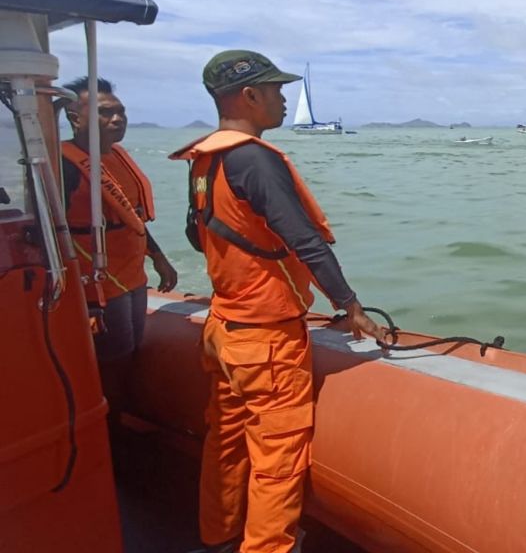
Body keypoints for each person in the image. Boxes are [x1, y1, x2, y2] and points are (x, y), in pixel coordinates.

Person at [171, 51, 383, 553]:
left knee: (225, 443)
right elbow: (305, 240)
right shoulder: (254, 159)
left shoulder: (206, 158)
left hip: (224, 329)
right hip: (267, 338)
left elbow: (195, 234)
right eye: (276, 90)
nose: (284, 99)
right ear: (249, 96)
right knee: (277, 460)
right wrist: (351, 306)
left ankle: (218, 537)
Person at [60, 76, 177, 429]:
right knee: (114, 360)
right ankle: (108, 436)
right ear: (74, 117)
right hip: (98, 284)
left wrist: (158, 257)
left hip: (133, 276)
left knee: (131, 352)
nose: (117, 119)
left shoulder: (120, 158)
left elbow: (132, 217)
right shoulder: (64, 164)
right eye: (105, 113)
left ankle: (120, 423)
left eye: (120, 111)